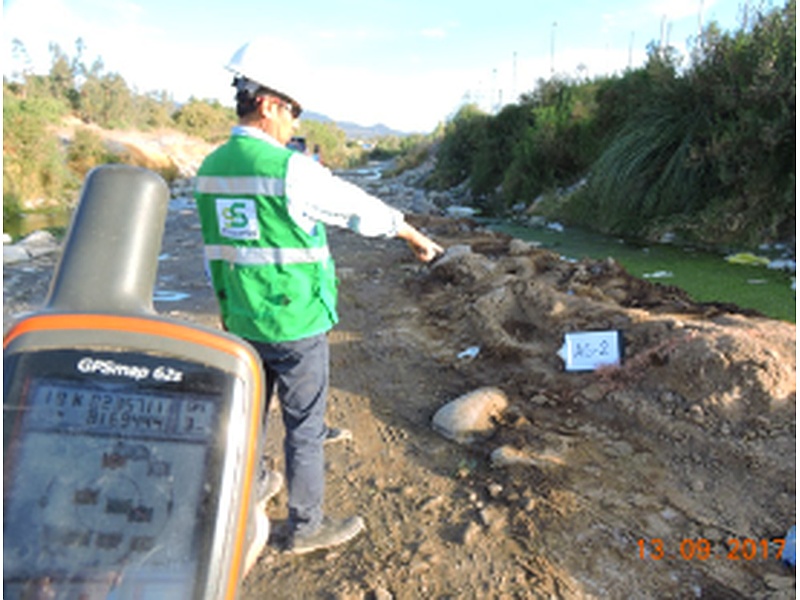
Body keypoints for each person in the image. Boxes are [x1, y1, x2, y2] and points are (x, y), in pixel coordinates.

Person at [193, 39, 444, 561]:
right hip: (296, 320)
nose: (293, 124)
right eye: (292, 111)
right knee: (305, 428)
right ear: (267, 103)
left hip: (240, 317)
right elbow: (356, 208)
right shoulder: (287, 169)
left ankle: (254, 484)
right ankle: (305, 527)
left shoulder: (210, 168)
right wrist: (413, 236)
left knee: (248, 415)